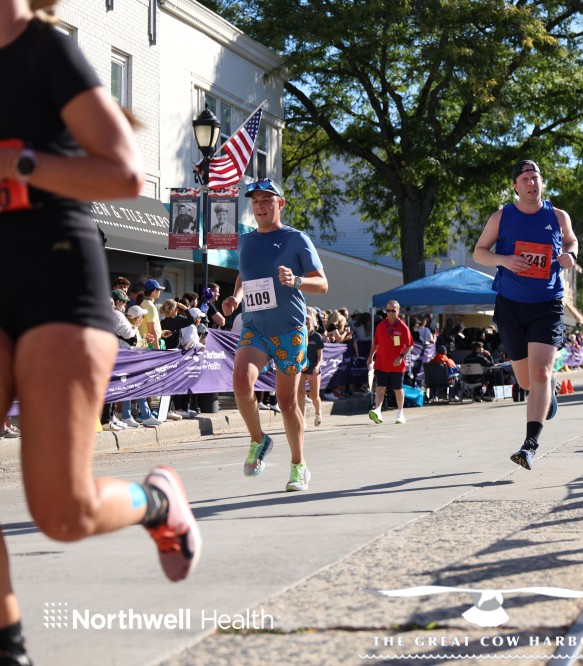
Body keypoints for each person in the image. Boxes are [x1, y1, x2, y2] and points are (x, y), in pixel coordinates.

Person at [0, 3, 200, 663]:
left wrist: (18, 163)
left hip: (56, 274)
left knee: (63, 514)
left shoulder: (44, 51)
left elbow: (122, 172)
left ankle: (157, 503)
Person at [222, 178, 328, 492]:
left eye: (267, 200)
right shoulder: (245, 240)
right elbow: (244, 274)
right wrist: (236, 298)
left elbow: (322, 284)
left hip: (289, 330)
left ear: (280, 204)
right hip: (255, 328)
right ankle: (259, 440)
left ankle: (299, 465)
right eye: (255, 201)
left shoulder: (296, 239)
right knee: (241, 380)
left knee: (287, 402)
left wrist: (297, 281)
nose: (260, 206)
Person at [473, 159, 579, 471]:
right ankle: (546, 392)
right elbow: (479, 252)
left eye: (536, 177)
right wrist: (504, 260)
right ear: (516, 186)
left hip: (547, 303)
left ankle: (529, 445)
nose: (532, 183)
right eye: (525, 179)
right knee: (525, 380)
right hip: (510, 304)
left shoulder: (557, 216)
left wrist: (571, 255)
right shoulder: (502, 216)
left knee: (540, 373)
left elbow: (571, 240)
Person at [366, 299, 414, 423]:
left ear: (398, 311)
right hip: (381, 363)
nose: (390, 313)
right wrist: (370, 357)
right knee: (380, 388)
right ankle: (377, 411)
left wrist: (401, 357)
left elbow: (410, 345)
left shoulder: (402, 327)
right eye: (388, 310)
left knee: (398, 389)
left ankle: (400, 413)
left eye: (393, 311)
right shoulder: (381, 326)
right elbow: (375, 343)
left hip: (396, 365)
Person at [299, 312, 325, 427]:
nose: (307, 325)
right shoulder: (299, 336)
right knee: (300, 395)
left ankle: (318, 413)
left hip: (314, 370)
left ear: (313, 324)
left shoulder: (317, 337)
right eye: (304, 323)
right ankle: (302, 420)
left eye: (308, 323)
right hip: (301, 370)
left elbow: (320, 356)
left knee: (314, 396)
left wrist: (317, 366)